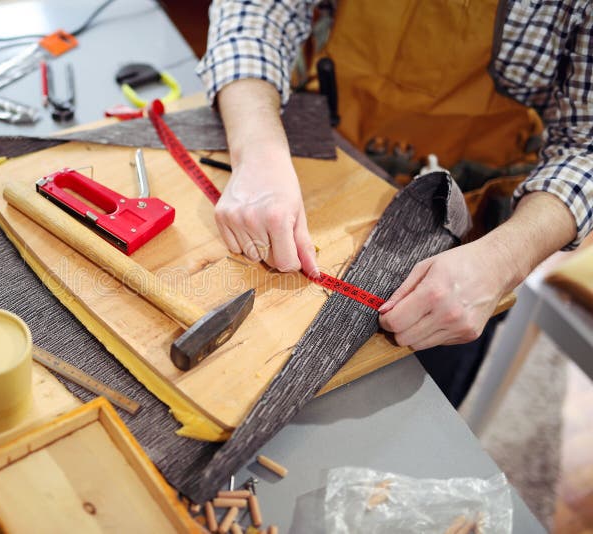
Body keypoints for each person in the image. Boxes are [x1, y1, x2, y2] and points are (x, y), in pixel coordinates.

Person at [196, 0, 592, 405]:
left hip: (467, 249)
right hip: (318, 163)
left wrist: (505, 259)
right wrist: (259, 149)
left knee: (405, 413)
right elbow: (256, 12)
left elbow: (587, 147)